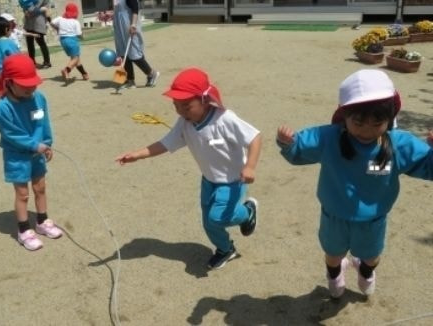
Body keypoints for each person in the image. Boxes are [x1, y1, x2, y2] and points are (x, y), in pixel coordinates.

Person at [276, 69, 433, 298]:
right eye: (358, 123)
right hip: (334, 216)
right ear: (344, 115)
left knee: (371, 255)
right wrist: (289, 143)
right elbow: (301, 147)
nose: (367, 131)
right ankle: (334, 273)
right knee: (333, 252)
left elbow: (427, 165)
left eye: (377, 122)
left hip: (373, 220)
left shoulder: (398, 144)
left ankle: (366, 271)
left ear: (389, 118)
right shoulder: (330, 137)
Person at [115, 68, 262, 269]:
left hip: (233, 181)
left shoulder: (224, 119)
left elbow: (254, 137)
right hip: (209, 181)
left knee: (217, 216)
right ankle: (226, 249)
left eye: (187, 105)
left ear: (204, 99)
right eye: (176, 105)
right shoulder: (185, 123)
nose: (181, 111)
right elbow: (165, 144)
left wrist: (250, 166)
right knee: (208, 223)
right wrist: (137, 155)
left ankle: (247, 212)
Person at [0, 54, 63, 251]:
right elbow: (11, 134)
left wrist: (46, 144)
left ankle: (42, 221)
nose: (31, 88)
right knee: (22, 193)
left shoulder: (39, 98)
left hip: (38, 152)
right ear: (9, 83)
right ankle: (24, 230)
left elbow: (43, 123)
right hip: (17, 156)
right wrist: (34, 145)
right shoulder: (3, 107)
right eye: (25, 85)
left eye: (33, 83)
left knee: (40, 187)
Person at [112, 0, 159, 89]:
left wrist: (133, 24)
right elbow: (119, 11)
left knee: (134, 54)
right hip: (119, 29)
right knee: (123, 54)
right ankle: (130, 81)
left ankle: (152, 73)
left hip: (129, 27)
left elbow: (135, 9)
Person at [49, 3, 89, 81]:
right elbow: (79, 34)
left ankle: (84, 74)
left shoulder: (60, 18)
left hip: (63, 41)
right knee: (75, 59)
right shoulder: (75, 22)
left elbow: (52, 23)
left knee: (76, 59)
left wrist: (57, 28)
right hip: (72, 41)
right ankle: (67, 70)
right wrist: (82, 38)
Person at [0, 16, 20, 92]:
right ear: (6, 29)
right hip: (10, 72)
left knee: (5, 92)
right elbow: (16, 57)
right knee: (16, 92)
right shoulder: (9, 43)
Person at [23, 0, 52, 69]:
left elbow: (44, 8)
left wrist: (30, 10)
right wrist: (25, 11)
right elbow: (24, 5)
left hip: (39, 21)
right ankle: (32, 61)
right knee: (29, 42)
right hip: (29, 21)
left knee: (41, 41)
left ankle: (47, 62)